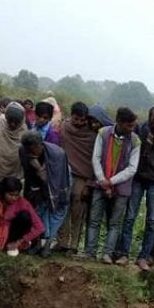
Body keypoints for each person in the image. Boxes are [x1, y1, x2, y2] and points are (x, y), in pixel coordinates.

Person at [117, 105, 154, 270]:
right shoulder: (138, 129)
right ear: (149, 117)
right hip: (137, 178)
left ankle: (143, 257)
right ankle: (123, 254)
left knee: (152, 220)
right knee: (129, 217)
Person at [84, 107, 140, 263]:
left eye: (133, 125)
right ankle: (90, 252)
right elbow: (96, 158)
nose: (132, 128)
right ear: (119, 123)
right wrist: (102, 180)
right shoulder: (103, 133)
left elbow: (132, 168)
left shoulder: (135, 140)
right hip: (100, 184)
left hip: (121, 188)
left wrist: (111, 181)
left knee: (114, 223)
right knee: (94, 219)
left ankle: (108, 253)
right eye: (129, 125)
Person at [54, 102, 100, 254]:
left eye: (82, 120)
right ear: (71, 116)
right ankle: (62, 242)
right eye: (76, 119)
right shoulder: (64, 128)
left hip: (83, 177)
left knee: (77, 212)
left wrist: (89, 184)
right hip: (65, 175)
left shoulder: (93, 135)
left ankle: (73, 246)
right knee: (62, 209)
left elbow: (94, 160)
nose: (79, 123)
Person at [19, 130, 71, 257]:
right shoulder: (23, 151)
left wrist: (38, 167)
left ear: (39, 145)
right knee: (36, 213)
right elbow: (28, 174)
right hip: (36, 186)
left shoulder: (57, 154)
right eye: (28, 151)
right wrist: (33, 191)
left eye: (32, 150)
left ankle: (47, 245)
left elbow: (53, 182)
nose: (30, 154)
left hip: (59, 186)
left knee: (54, 216)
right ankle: (36, 243)